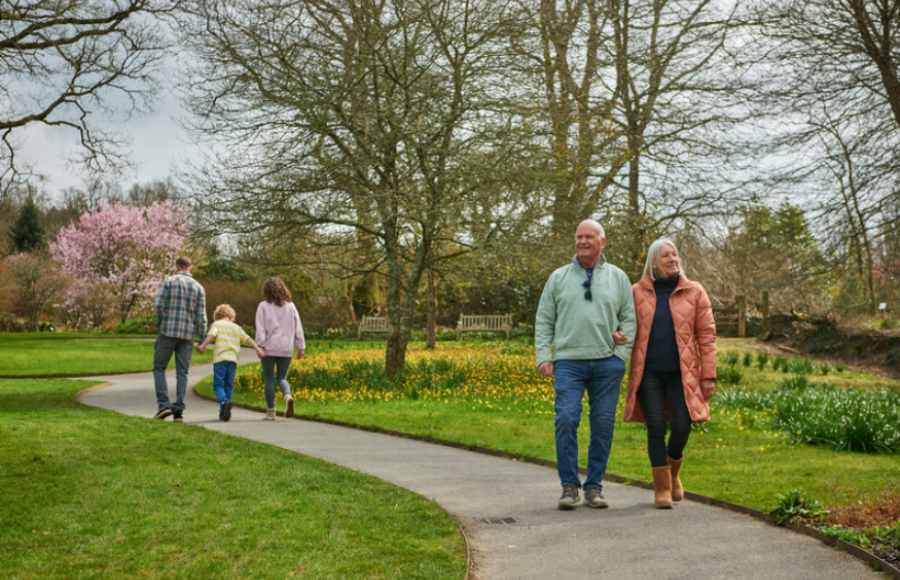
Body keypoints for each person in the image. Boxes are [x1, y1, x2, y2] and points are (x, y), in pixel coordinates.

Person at [535, 219, 636, 510]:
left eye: (589, 237)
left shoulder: (617, 278)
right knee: (566, 418)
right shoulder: (558, 277)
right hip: (569, 362)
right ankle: (569, 487)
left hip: (607, 364)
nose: (582, 242)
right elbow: (544, 319)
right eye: (578, 236)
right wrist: (544, 354)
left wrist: (621, 356)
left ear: (602, 242)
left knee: (602, 426)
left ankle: (594, 487)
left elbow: (629, 319)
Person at [623, 238, 716, 509]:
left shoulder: (694, 291)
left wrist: (708, 375)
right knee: (655, 428)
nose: (672, 259)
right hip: (648, 373)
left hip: (681, 374)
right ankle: (662, 489)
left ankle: (673, 471)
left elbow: (707, 336)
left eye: (675, 254)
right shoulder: (636, 292)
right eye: (666, 255)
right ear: (654, 261)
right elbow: (625, 327)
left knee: (680, 426)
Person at [153, 256, 207, 423]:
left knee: (159, 368)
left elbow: (158, 305)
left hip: (168, 331)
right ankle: (178, 412)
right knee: (182, 373)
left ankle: (164, 405)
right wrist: (202, 338)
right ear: (190, 269)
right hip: (187, 335)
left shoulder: (169, 282)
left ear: (177, 267)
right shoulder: (199, 288)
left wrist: (159, 323)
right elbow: (201, 316)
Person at [197, 304, 266, 421]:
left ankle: (224, 402)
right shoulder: (236, 327)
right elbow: (248, 338)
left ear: (217, 316)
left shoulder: (217, 324)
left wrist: (203, 345)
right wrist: (258, 349)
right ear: (230, 315)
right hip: (233, 359)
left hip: (220, 358)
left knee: (218, 384)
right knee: (228, 385)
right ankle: (223, 412)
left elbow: (212, 335)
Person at [255, 277, 305, 421]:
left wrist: (260, 345)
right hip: (286, 348)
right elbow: (298, 328)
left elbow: (261, 329)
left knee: (269, 379)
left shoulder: (263, 306)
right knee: (282, 378)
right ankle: (287, 395)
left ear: (266, 291)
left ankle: (271, 412)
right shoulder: (291, 306)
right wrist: (300, 347)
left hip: (268, 349)